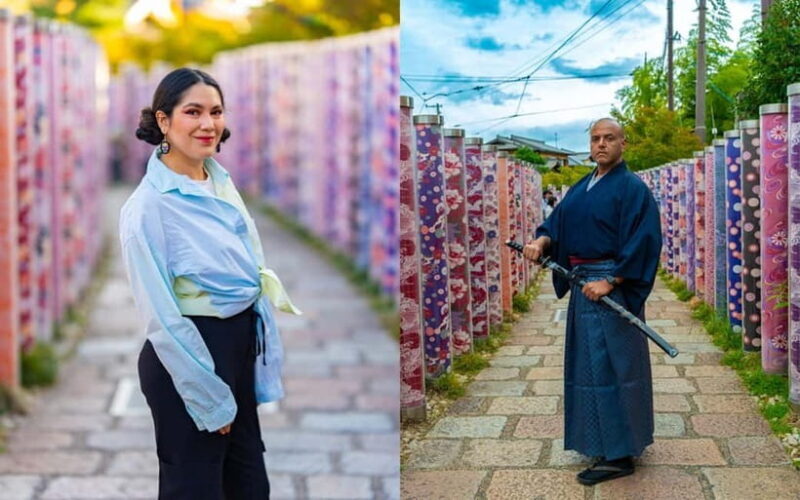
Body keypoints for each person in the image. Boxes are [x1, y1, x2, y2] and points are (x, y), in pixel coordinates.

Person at [119, 68, 301, 499]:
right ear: (164, 120)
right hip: (190, 353)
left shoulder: (218, 179)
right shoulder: (148, 207)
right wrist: (205, 393)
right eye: (193, 112)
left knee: (249, 482)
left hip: (235, 345)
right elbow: (159, 315)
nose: (207, 124)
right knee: (195, 488)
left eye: (215, 112)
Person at [523, 118, 662, 485]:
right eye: (596, 139)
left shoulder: (633, 189)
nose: (601, 144)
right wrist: (541, 243)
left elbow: (645, 240)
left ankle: (620, 454)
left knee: (615, 367)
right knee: (589, 368)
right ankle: (601, 442)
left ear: (623, 144)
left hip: (610, 287)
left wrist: (613, 279)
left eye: (609, 138)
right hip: (584, 287)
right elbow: (556, 224)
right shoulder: (583, 186)